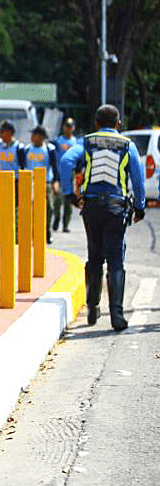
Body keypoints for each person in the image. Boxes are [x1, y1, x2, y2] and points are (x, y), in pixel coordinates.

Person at [59, 104, 145, 331]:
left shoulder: (86, 142)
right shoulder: (127, 145)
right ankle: (117, 315)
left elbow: (66, 161)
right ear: (119, 124)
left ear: (96, 123)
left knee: (95, 256)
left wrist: (70, 193)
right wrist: (140, 206)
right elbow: (137, 178)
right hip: (116, 208)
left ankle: (92, 308)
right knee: (116, 259)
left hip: (92, 207)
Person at [24, 126, 60, 244]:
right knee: (30, 209)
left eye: (34, 134)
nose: (31, 137)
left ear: (40, 136)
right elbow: (23, 164)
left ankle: (47, 231)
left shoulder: (49, 149)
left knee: (49, 207)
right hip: (30, 182)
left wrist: (56, 181)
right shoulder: (27, 149)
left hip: (45, 182)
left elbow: (55, 166)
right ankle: (30, 232)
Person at [0, 120, 25, 241]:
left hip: (14, 180)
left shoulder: (19, 147)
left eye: (2, 131)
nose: (0, 134)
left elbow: (22, 165)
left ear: (10, 132)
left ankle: (15, 235)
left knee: (14, 208)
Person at [53, 117, 80, 232]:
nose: (68, 129)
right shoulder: (58, 141)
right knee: (58, 199)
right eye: (66, 126)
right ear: (63, 127)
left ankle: (66, 224)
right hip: (60, 172)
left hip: (71, 172)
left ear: (73, 128)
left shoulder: (76, 142)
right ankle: (56, 219)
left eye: (70, 127)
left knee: (69, 199)